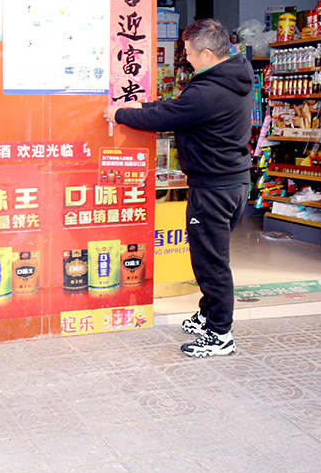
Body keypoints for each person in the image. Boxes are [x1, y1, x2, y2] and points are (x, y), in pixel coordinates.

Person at [103, 18, 253, 358]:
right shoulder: (233, 78)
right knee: (210, 257)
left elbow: (167, 117)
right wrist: (141, 106)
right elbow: (177, 110)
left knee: (211, 263)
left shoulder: (208, 90)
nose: (185, 58)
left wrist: (121, 114)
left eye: (187, 53)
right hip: (233, 182)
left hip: (213, 189)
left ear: (206, 54)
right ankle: (208, 314)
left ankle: (220, 334)